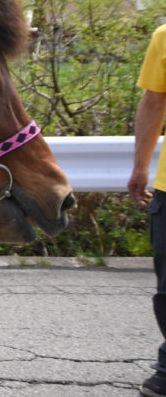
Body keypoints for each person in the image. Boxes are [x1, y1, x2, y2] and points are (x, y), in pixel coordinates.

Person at [130, 23, 166, 396]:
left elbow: (154, 103)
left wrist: (139, 167)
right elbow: (154, 102)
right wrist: (141, 166)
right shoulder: (163, 37)